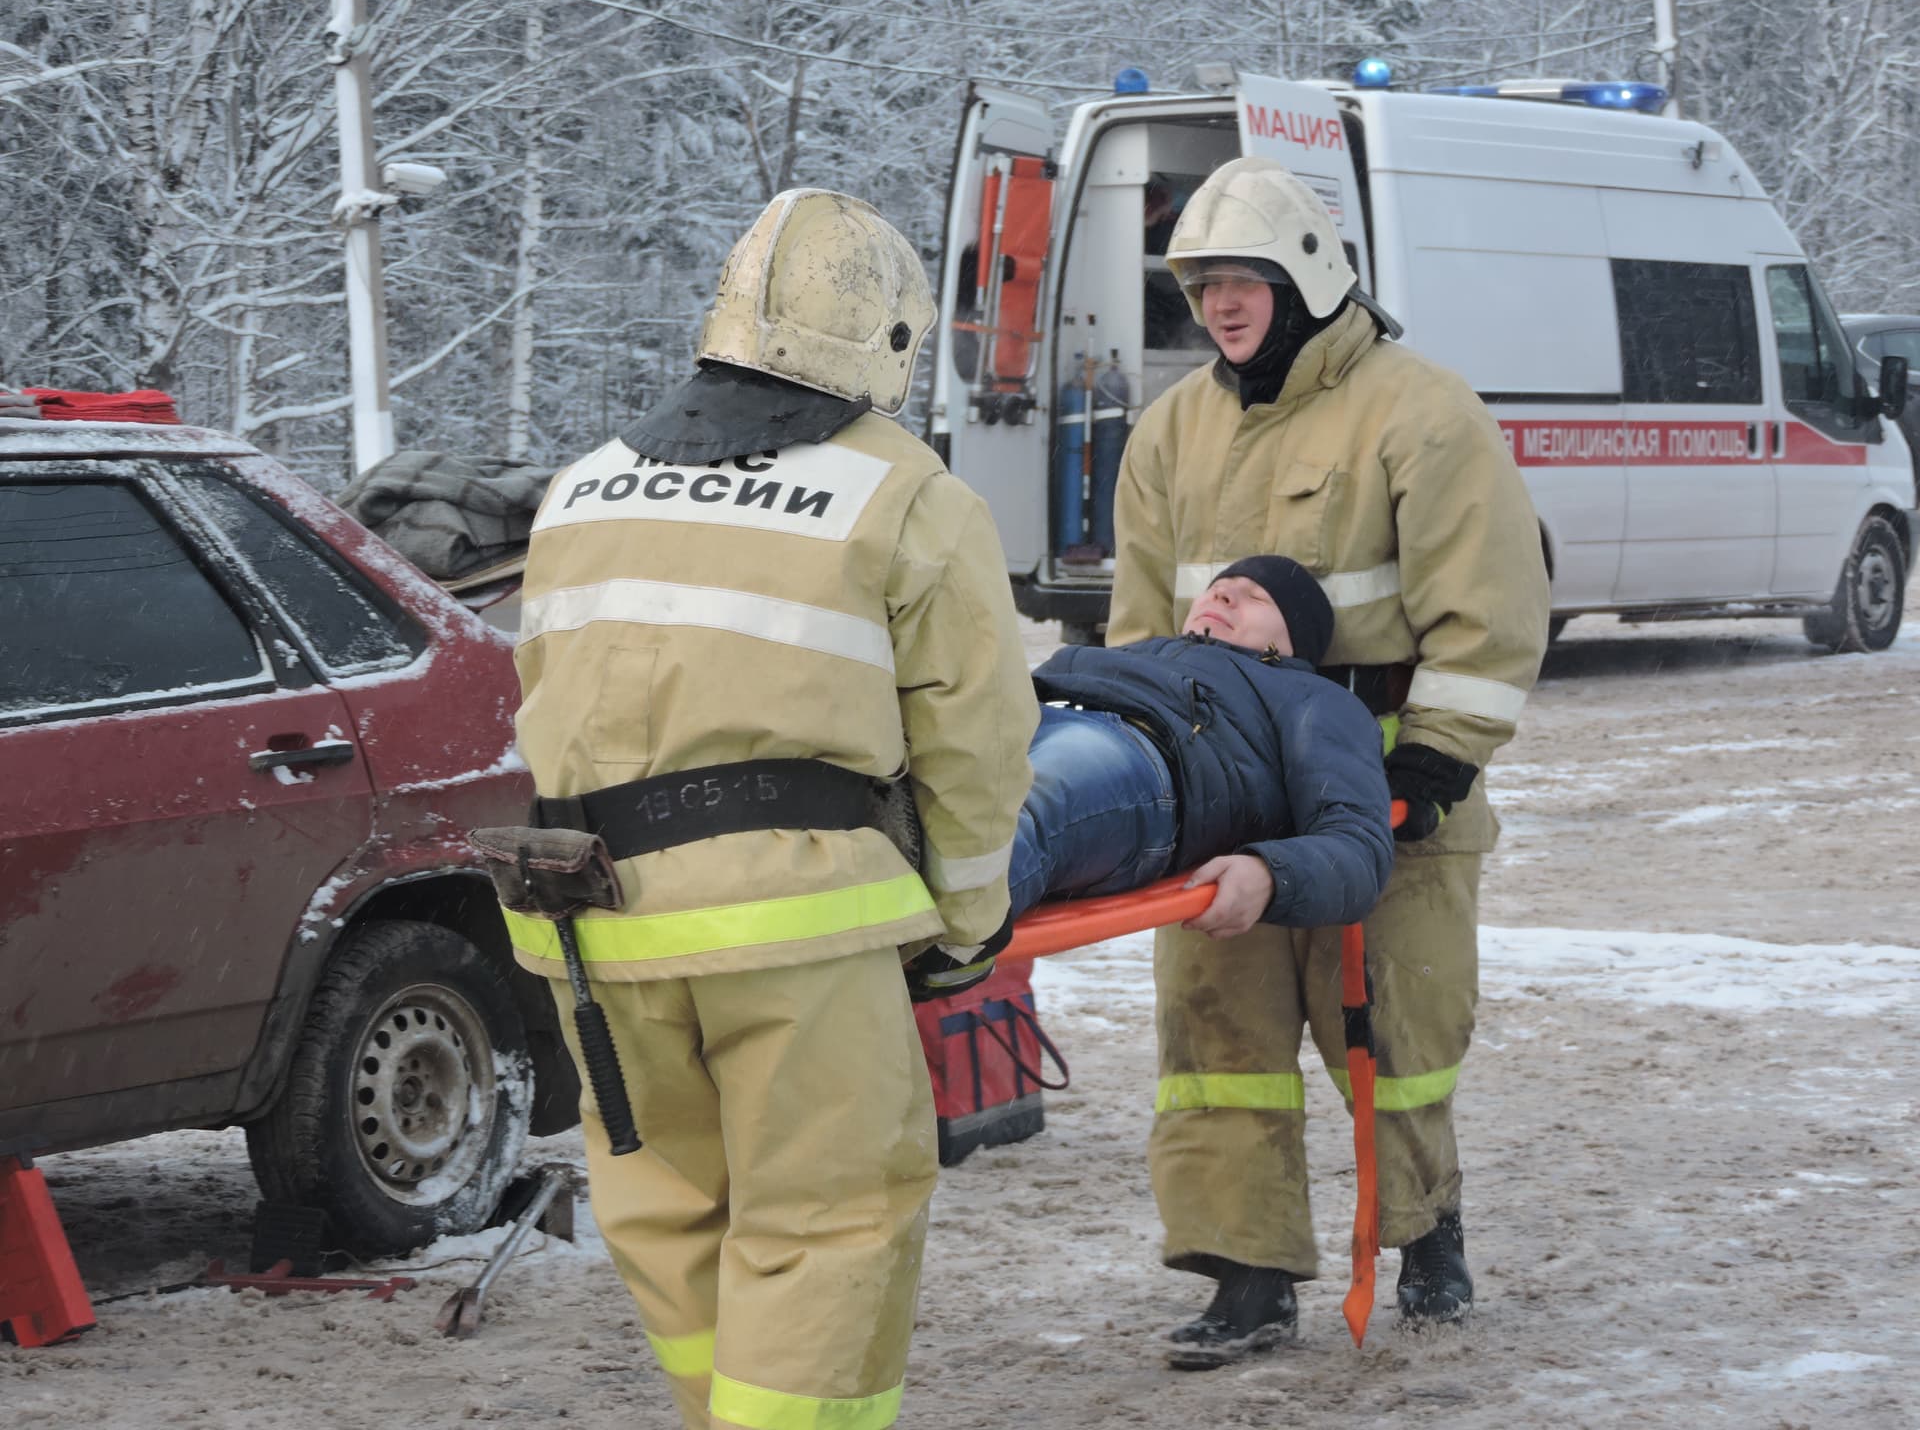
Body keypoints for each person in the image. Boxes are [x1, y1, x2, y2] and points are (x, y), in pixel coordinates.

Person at [498, 188, 1037, 1430]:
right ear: (892, 340)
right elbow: (980, 736)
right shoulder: (906, 494)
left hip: (595, 925)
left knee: (665, 1199)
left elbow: (547, 693)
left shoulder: (586, 488)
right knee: (827, 1215)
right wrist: (963, 922)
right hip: (795, 925)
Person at [1109, 156, 1551, 1366]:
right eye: (1201, 285)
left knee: (1394, 1040)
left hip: (1389, 798)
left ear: (1305, 273)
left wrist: (1436, 769)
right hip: (1219, 812)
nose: (1221, 305)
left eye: (1242, 277)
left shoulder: (1419, 410)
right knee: (1216, 1046)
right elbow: (1138, 631)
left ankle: (1427, 1229)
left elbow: (1492, 611)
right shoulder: (1171, 433)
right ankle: (1243, 1274)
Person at [1006, 555, 1392, 937]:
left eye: (1256, 597)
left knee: (1025, 806)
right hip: (1032, 717)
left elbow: (1359, 847)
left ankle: (956, 917)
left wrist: (1272, 875)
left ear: (1295, 637)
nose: (1222, 596)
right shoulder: (1138, 652)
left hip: (1137, 756)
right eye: (1217, 590)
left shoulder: (1313, 697)